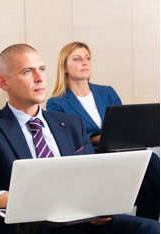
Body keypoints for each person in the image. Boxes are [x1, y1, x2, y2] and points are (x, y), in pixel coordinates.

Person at [0, 44, 160, 234]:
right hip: (33, 228)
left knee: (151, 231)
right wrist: (10, 198)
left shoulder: (70, 124)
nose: (40, 78)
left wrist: (100, 205)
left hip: (84, 217)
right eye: (28, 72)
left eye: (42, 69)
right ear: (4, 82)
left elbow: (91, 178)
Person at [46, 42, 160, 221]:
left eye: (87, 58)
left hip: (120, 152)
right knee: (151, 159)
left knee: (149, 186)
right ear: (65, 67)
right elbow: (68, 139)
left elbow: (123, 127)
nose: (85, 62)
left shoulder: (106, 92)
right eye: (77, 59)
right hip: (92, 156)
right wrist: (105, 138)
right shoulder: (57, 103)